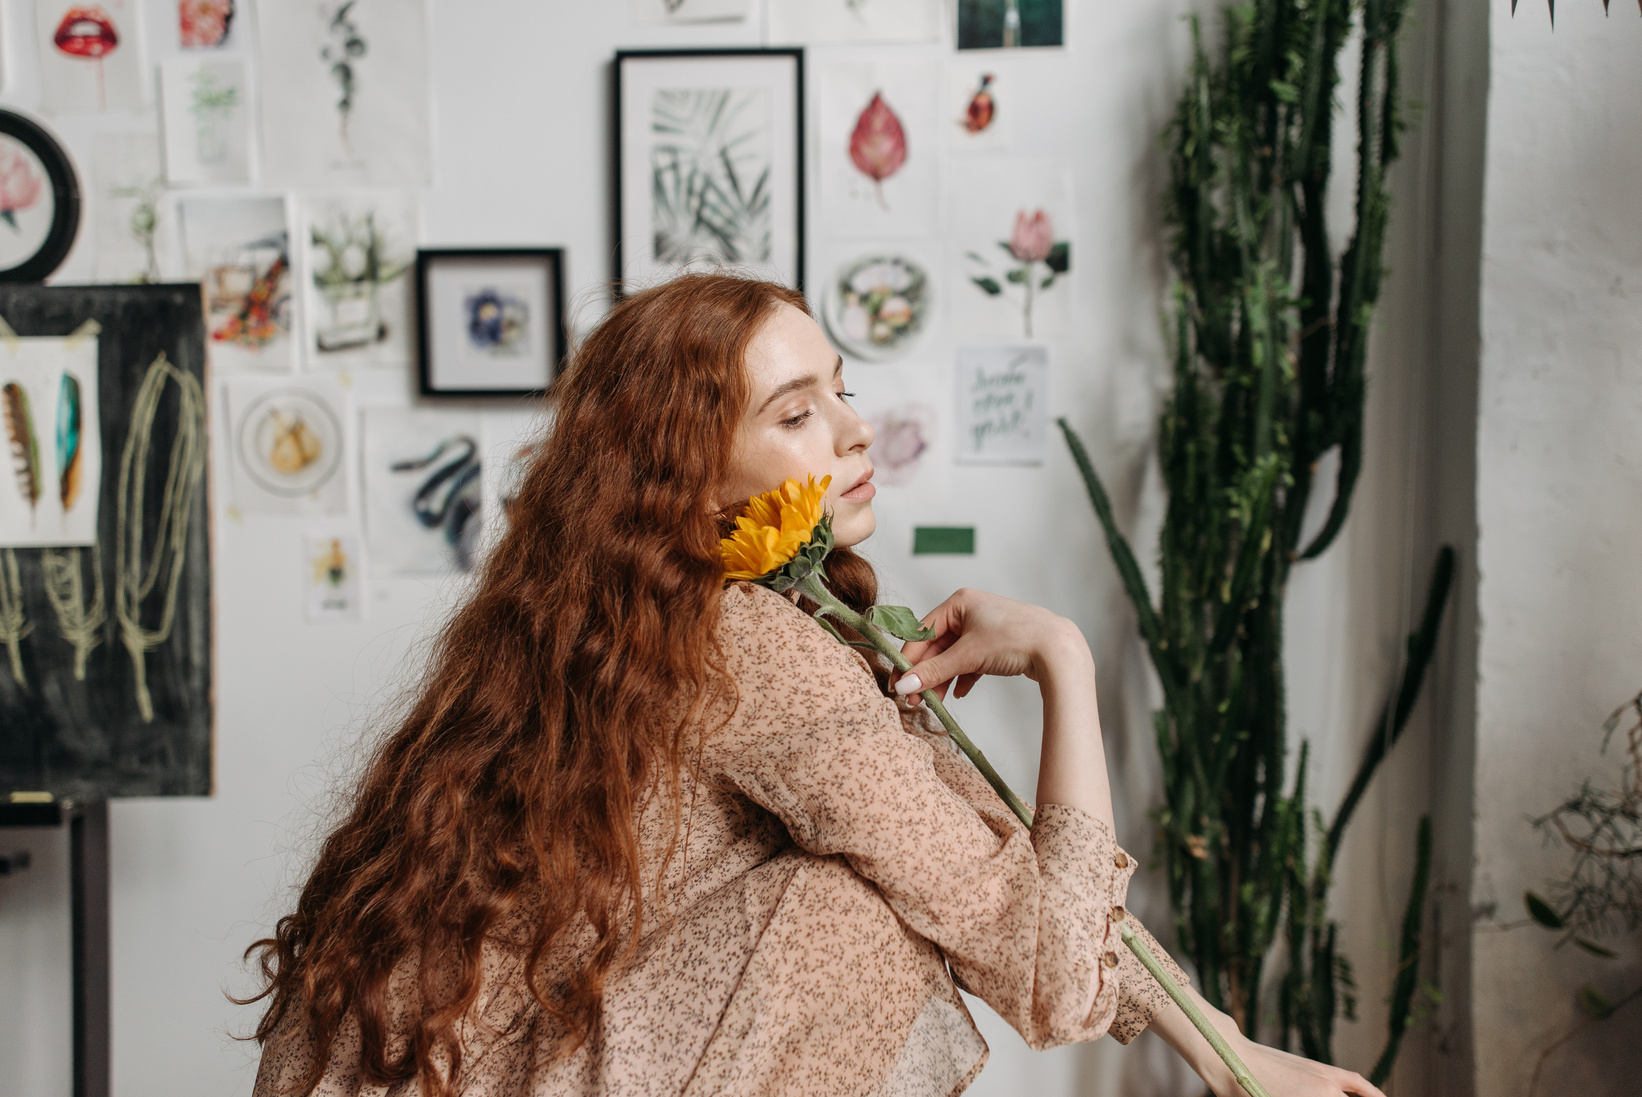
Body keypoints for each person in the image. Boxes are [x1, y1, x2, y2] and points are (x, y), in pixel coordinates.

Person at [246, 274, 1385, 1097]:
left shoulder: (643, 627)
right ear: (687, 484)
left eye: (841, 389)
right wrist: (1063, 662)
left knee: (883, 882)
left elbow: (989, 867)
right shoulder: (740, 642)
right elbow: (1039, 962)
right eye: (795, 414)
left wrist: (1227, 1051)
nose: (851, 430)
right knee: (851, 913)